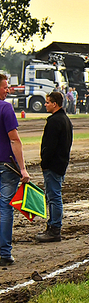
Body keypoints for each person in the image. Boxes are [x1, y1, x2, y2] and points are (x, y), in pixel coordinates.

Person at [0, 74, 30, 266]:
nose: (8, 90)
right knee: (4, 208)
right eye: (5, 87)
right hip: (6, 165)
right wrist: (23, 169)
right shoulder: (6, 108)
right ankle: (4, 253)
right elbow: (14, 139)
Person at [35, 92, 73, 243]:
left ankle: (54, 229)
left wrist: (44, 162)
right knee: (53, 196)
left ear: (55, 104)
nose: (45, 105)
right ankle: (52, 226)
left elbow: (50, 146)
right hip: (61, 163)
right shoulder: (65, 120)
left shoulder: (54, 121)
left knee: (54, 197)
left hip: (53, 165)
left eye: (47, 102)